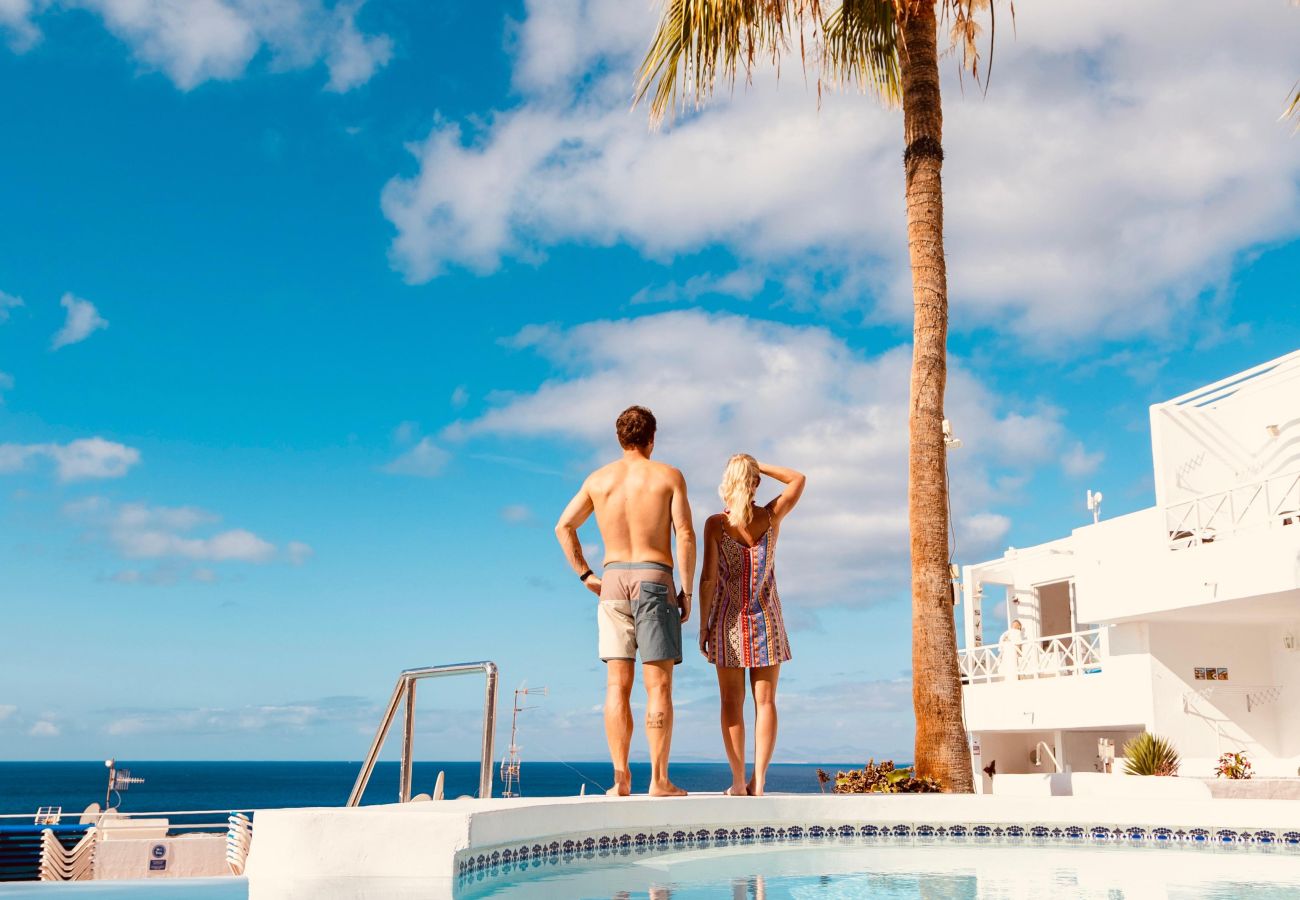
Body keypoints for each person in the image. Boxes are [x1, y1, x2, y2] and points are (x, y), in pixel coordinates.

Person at [554, 405, 696, 797]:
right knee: (659, 686)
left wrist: (585, 574)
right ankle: (659, 779)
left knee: (617, 685)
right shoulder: (668, 476)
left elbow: (563, 526)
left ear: (620, 439)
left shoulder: (599, 480)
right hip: (655, 579)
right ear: (651, 439)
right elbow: (684, 534)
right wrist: (687, 589)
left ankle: (620, 779)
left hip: (613, 582)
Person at [698, 455, 805, 797]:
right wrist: (763, 467)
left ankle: (736, 781)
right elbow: (798, 478)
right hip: (767, 620)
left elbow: (709, 579)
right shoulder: (771, 516)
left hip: (729, 623)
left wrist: (703, 625)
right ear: (755, 483)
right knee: (766, 702)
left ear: (727, 482)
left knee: (731, 702)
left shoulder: (716, 524)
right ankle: (758, 780)